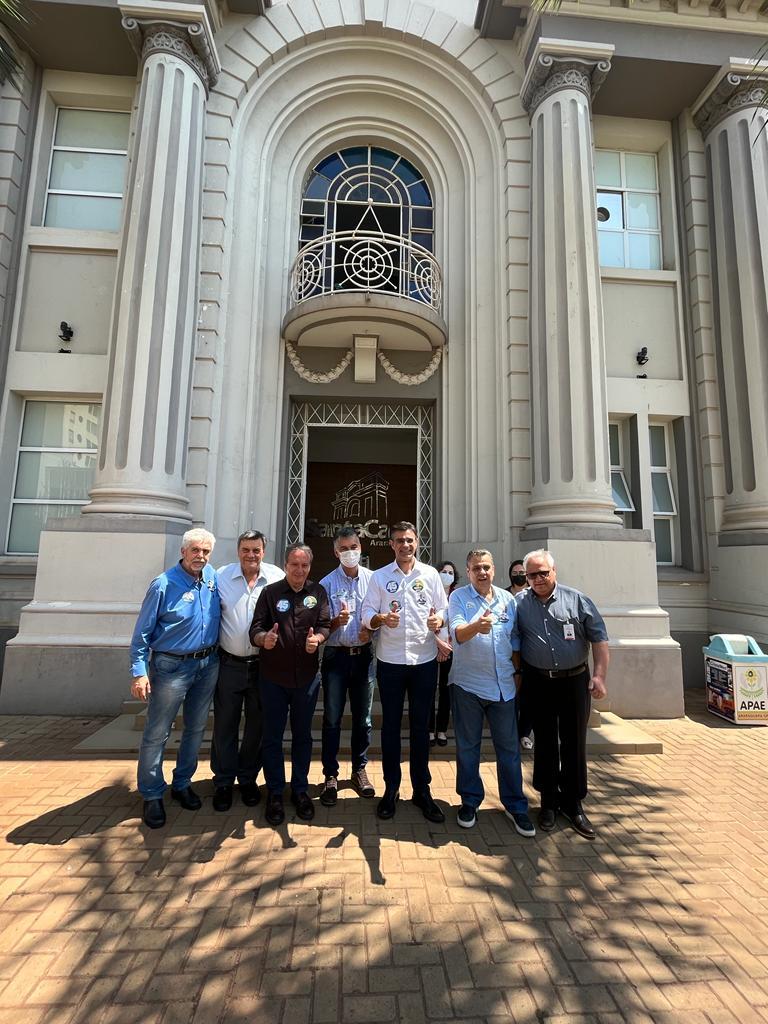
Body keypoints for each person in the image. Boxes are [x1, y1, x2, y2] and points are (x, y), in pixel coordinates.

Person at [130, 528, 220, 829]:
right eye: (195, 550)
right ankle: (152, 793)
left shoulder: (212, 578)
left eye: (205, 551)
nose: (200, 556)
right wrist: (139, 672)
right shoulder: (163, 584)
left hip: (207, 664)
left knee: (195, 728)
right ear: (183, 552)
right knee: (158, 732)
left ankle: (182, 783)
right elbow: (142, 633)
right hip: (171, 666)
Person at [516, 549, 609, 840]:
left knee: (574, 741)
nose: (538, 579)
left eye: (543, 573)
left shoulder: (577, 600)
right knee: (545, 742)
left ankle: (573, 803)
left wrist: (599, 676)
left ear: (554, 571)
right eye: (532, 575)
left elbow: (599, 639)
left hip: (574, 681)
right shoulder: (519, 603)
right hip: (539, 681)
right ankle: (548, 802)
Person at [361, 521, 448, 822]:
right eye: (399, 540)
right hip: (391, 662)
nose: (405, 545)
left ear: (417, 542)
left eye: (409, 540)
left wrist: (439, 622)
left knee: (421, 727)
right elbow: (366, 614)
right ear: (391, 544)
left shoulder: (431, 574)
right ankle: (391, 788)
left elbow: (443, 609)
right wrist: (381, 618)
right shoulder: (380, 577)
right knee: (391, 728)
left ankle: (422, 790)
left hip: (424, 661)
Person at [448, 549, 535, 836]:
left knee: (509, 750)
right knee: (468, 748)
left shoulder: (507, 600)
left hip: (504, 687)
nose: (482, 572)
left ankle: (515, 806)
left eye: (486, 567)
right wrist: (477, 626)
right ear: (468, 571)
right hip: (468, 685)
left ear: (494, 570)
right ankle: (470, 801)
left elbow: (515, 640)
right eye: (476, 568)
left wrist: (518, 673)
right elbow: (458, 634)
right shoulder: (458, 597)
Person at [249, 544, 331, 826]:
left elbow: (325, 625)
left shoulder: (318, 592)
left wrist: (317, 640)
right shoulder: (270, 593)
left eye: (304, 565)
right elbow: (255, 628)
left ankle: (300, 790)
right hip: (273, 678)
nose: (299, 570)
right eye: (294, 565)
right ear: (285, 565)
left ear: (310, 566)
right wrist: (264, 639)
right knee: (272, 737)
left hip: (306, 679)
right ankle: (275, 792)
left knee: (303, 736)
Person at [211, 530, 285, 812]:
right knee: (225, 725)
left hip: (263, 666)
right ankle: (223, 781)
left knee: (257, 726)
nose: (251, 555)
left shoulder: (276, 577)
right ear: (238, 550)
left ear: (263, 551)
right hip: (229, 664)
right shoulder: (221, 577)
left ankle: (248, 779)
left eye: (256, 550)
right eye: (245, 549)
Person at [317, 527, 376, 806]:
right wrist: (334, 623)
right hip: (335, 658)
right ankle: (330, 774)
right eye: (343, 548)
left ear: (360, 548)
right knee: (332, 718)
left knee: (363, 719)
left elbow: (381, 617)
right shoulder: (326, 584)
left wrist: (371, 630)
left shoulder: (373, 580)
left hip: (363, 657)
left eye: (353, 547)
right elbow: (319, 626)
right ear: (335, 552)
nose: (349, 552)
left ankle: (359, 770)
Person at [430, 560, 459, 747]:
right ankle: (429, 730)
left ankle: (441, 729)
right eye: (443, 571)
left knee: (445, 691)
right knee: (428, 690)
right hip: (430, 648)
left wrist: (448, 646)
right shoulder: (429, 593)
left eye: (450, 572)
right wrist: (438, 644)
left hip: (451, 649)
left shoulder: (458, 597)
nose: (447, 575)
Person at [508, 558, 534, 751]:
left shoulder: (533, 596)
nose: (518, 576)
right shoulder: (504, 595)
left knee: (528, 695)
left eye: (522, 573)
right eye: (515, 573)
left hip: (531, 651)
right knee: (512, 694)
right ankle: (510, 731)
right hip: (509, 653)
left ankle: (524, 732)